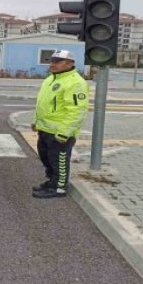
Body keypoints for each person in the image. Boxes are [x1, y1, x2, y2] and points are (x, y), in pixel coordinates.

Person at [31, 50, 89, 199]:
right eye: (52, 61)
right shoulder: (51, 79)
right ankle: (52, 181)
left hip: (60, 132)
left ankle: (59, 188)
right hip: (45, 129)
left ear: (69, 64)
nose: (53, 64)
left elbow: (77, 110)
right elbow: (42, 103)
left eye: (58, 62)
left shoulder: (75, 83)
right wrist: (36, 121)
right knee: (47, 158)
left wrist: (65, 132)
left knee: (59, 161)